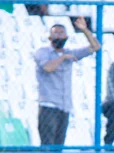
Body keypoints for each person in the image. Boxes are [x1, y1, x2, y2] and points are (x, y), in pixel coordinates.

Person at [34, 18, 101, 146]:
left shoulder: (70, 53)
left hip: (65, 106)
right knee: (48, 145)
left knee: (59, 145)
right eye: (56, 32)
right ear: (49, 37)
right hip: (49, 105)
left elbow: (96, 46)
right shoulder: (43, 52)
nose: (59, 35)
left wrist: (84, 30)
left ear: (67, 36)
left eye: (62, 32)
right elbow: (48, 68)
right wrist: (63, 57)